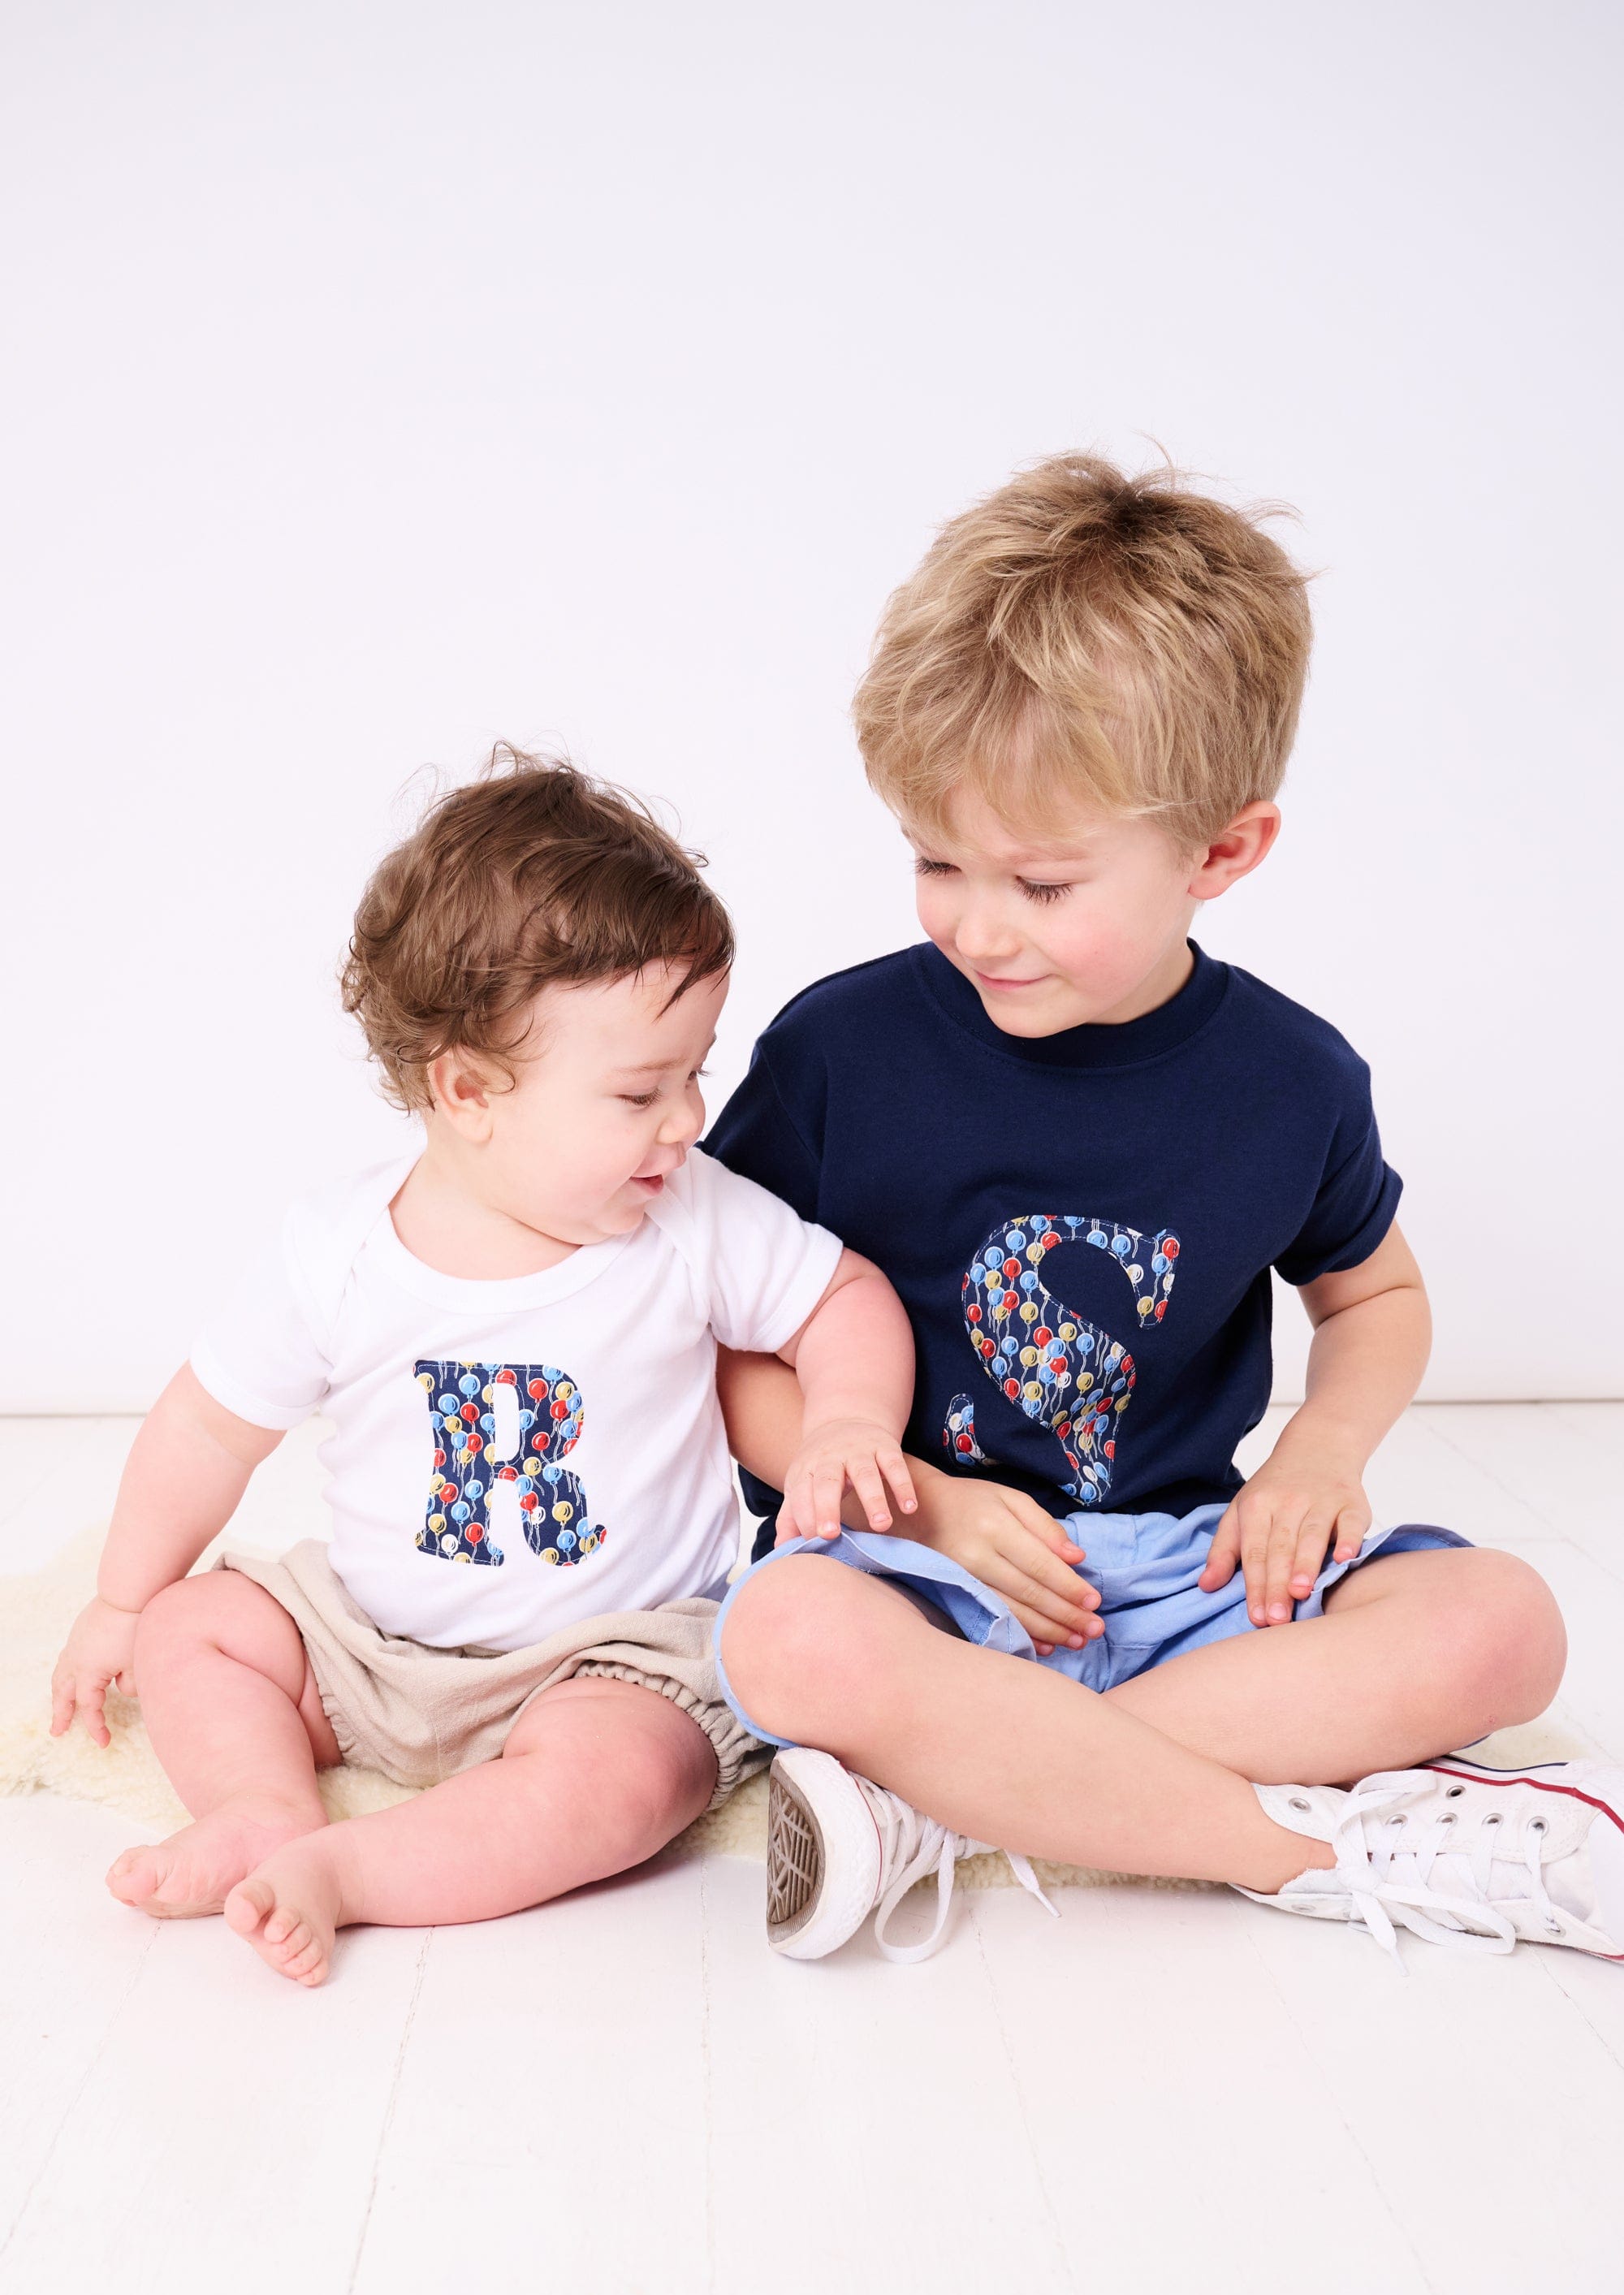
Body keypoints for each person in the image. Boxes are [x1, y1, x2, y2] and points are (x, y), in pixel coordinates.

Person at [706, 453, 1624, 1967]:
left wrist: (1319, 1457)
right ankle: (1289, 1846)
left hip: (1184, 1573)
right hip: (921, 1570)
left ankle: (963, 1796)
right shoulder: (836, 1052)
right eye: (936, 859)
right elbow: (726, 1345)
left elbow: (1375, 1298)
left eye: (1043, 883)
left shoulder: (1291, 1079)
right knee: (786, 1635)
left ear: (1222, 851)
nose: (975, 923)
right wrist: (909, 1495)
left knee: (1507, 1621)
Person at [48, 754, 916, 1986]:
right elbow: (206, 1427)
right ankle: (258, 1808)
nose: (687, 1119)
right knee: (203, 1630)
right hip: (371, 1642)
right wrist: (127, 1600)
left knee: (629, 1784)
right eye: (638, 1092)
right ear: (469, 1091)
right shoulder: (338, 1255)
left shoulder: (693, 1217)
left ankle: (356, 1872)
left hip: (611, 1657)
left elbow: (843, 1296)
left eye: (695, 1073)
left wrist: (845, 1415)